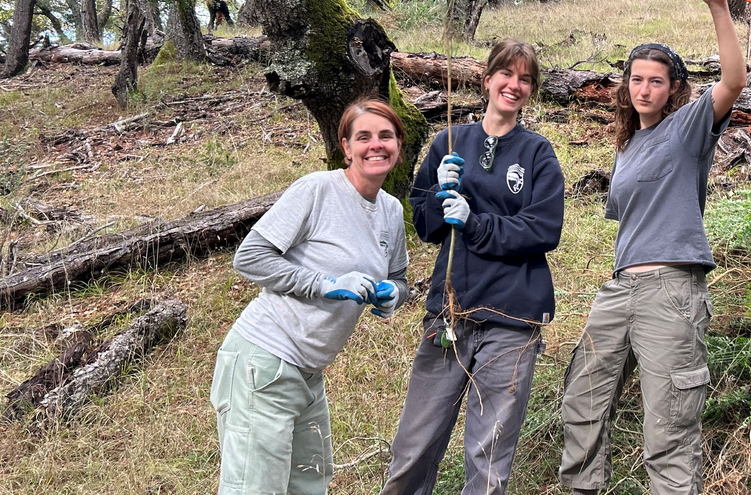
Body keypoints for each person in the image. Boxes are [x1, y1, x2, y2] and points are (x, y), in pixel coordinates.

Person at [558, 0, 747, 495]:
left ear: (674, 89)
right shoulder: (625, 150)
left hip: (670, 288)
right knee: (583, 399)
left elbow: (734, 81)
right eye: (636, 79)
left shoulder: (686, 129)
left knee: (668, 419)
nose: (645, 88)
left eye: (656, 80)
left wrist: (717, 7)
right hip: (620, 288)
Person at [380, 39, 565, 495]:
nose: (514, 85)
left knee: (487, 459)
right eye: (506, 74)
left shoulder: (537, 153)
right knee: (413, 446)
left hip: (512, 320)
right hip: (449, 312)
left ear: (532, 89)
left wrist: (476, 222)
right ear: (487, 80)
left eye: (525, 79)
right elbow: (425, 225)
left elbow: (544, 229)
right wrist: (437, 196)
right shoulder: (449, 140)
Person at [210, 98, 410, 495]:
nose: (376, 145)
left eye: (386, 136)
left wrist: (394, 294)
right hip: (264, 360)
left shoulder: (390, 209)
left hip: (309, 372)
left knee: (309, 483)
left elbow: (399, 277)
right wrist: (322, 283)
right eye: (364, 136)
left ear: (399, 144)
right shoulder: (318, 189)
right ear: (345, 146)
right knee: (255, 487)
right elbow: (249, 258)